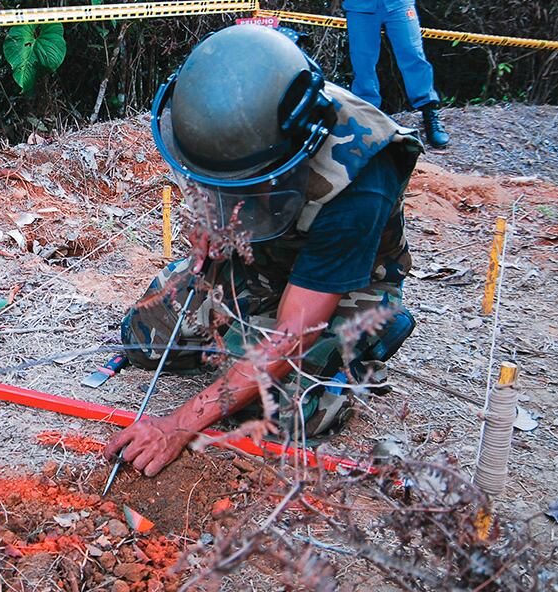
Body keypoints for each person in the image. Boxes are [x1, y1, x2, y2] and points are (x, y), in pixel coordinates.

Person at [104, 24, 423, 477]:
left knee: (284, 415)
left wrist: (178, 425)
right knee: (143, 340)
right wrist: (207, 225)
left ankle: (361, 346)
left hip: (341, 285)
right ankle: (238, 346)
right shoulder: (229, 119)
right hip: (264, 255)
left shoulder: (362, 177)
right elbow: (211, 184)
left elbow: (295, 333)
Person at [332, 0, 450, 148]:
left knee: (413, 55)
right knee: (362, 63)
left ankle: (429, 113)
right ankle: (366, 119)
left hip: (399, 4)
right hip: (360, 6)